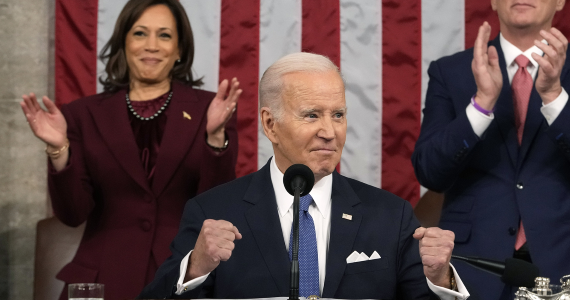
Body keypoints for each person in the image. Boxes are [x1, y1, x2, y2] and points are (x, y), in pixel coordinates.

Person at [138, 52, 470, 299]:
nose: (329, 131)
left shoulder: (390, 215)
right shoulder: (214, 212)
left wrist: (441, 279)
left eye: (338, 115)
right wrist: (195, 267)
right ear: (270, 124)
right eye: (311, 115)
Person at [20, 1, 241, 299]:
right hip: (103, 279)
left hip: (182, 276)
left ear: (179, 49)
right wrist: (59, 149)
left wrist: (215, 138)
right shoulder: (81, 115)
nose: (151, 45)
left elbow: (216, 208)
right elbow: (72, 214)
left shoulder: (210, 110)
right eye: (140, 33)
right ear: (124, 43)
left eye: (164, 35)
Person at [412, 0, 570, 298]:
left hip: (568, 264)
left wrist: (553, 96)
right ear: (493, 2)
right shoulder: (450, 71)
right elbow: (430, 173)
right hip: (474, 266)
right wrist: (481, 104)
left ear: (561, 2)